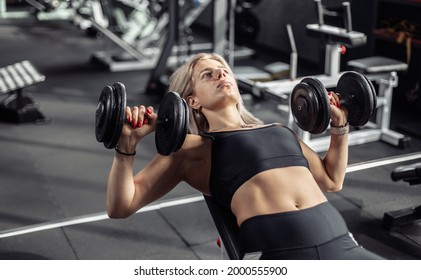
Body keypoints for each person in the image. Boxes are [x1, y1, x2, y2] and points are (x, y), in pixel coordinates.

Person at [106, 52, 384, 260]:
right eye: (208, 75)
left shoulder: (281, 131)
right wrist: (126, 146)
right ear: (192, 101)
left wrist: (340, 124)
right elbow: (121, 206)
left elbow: (332, 180)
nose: (221, 76)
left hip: (343, 243)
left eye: (224, 71)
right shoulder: (192, 149)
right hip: (282, 255)